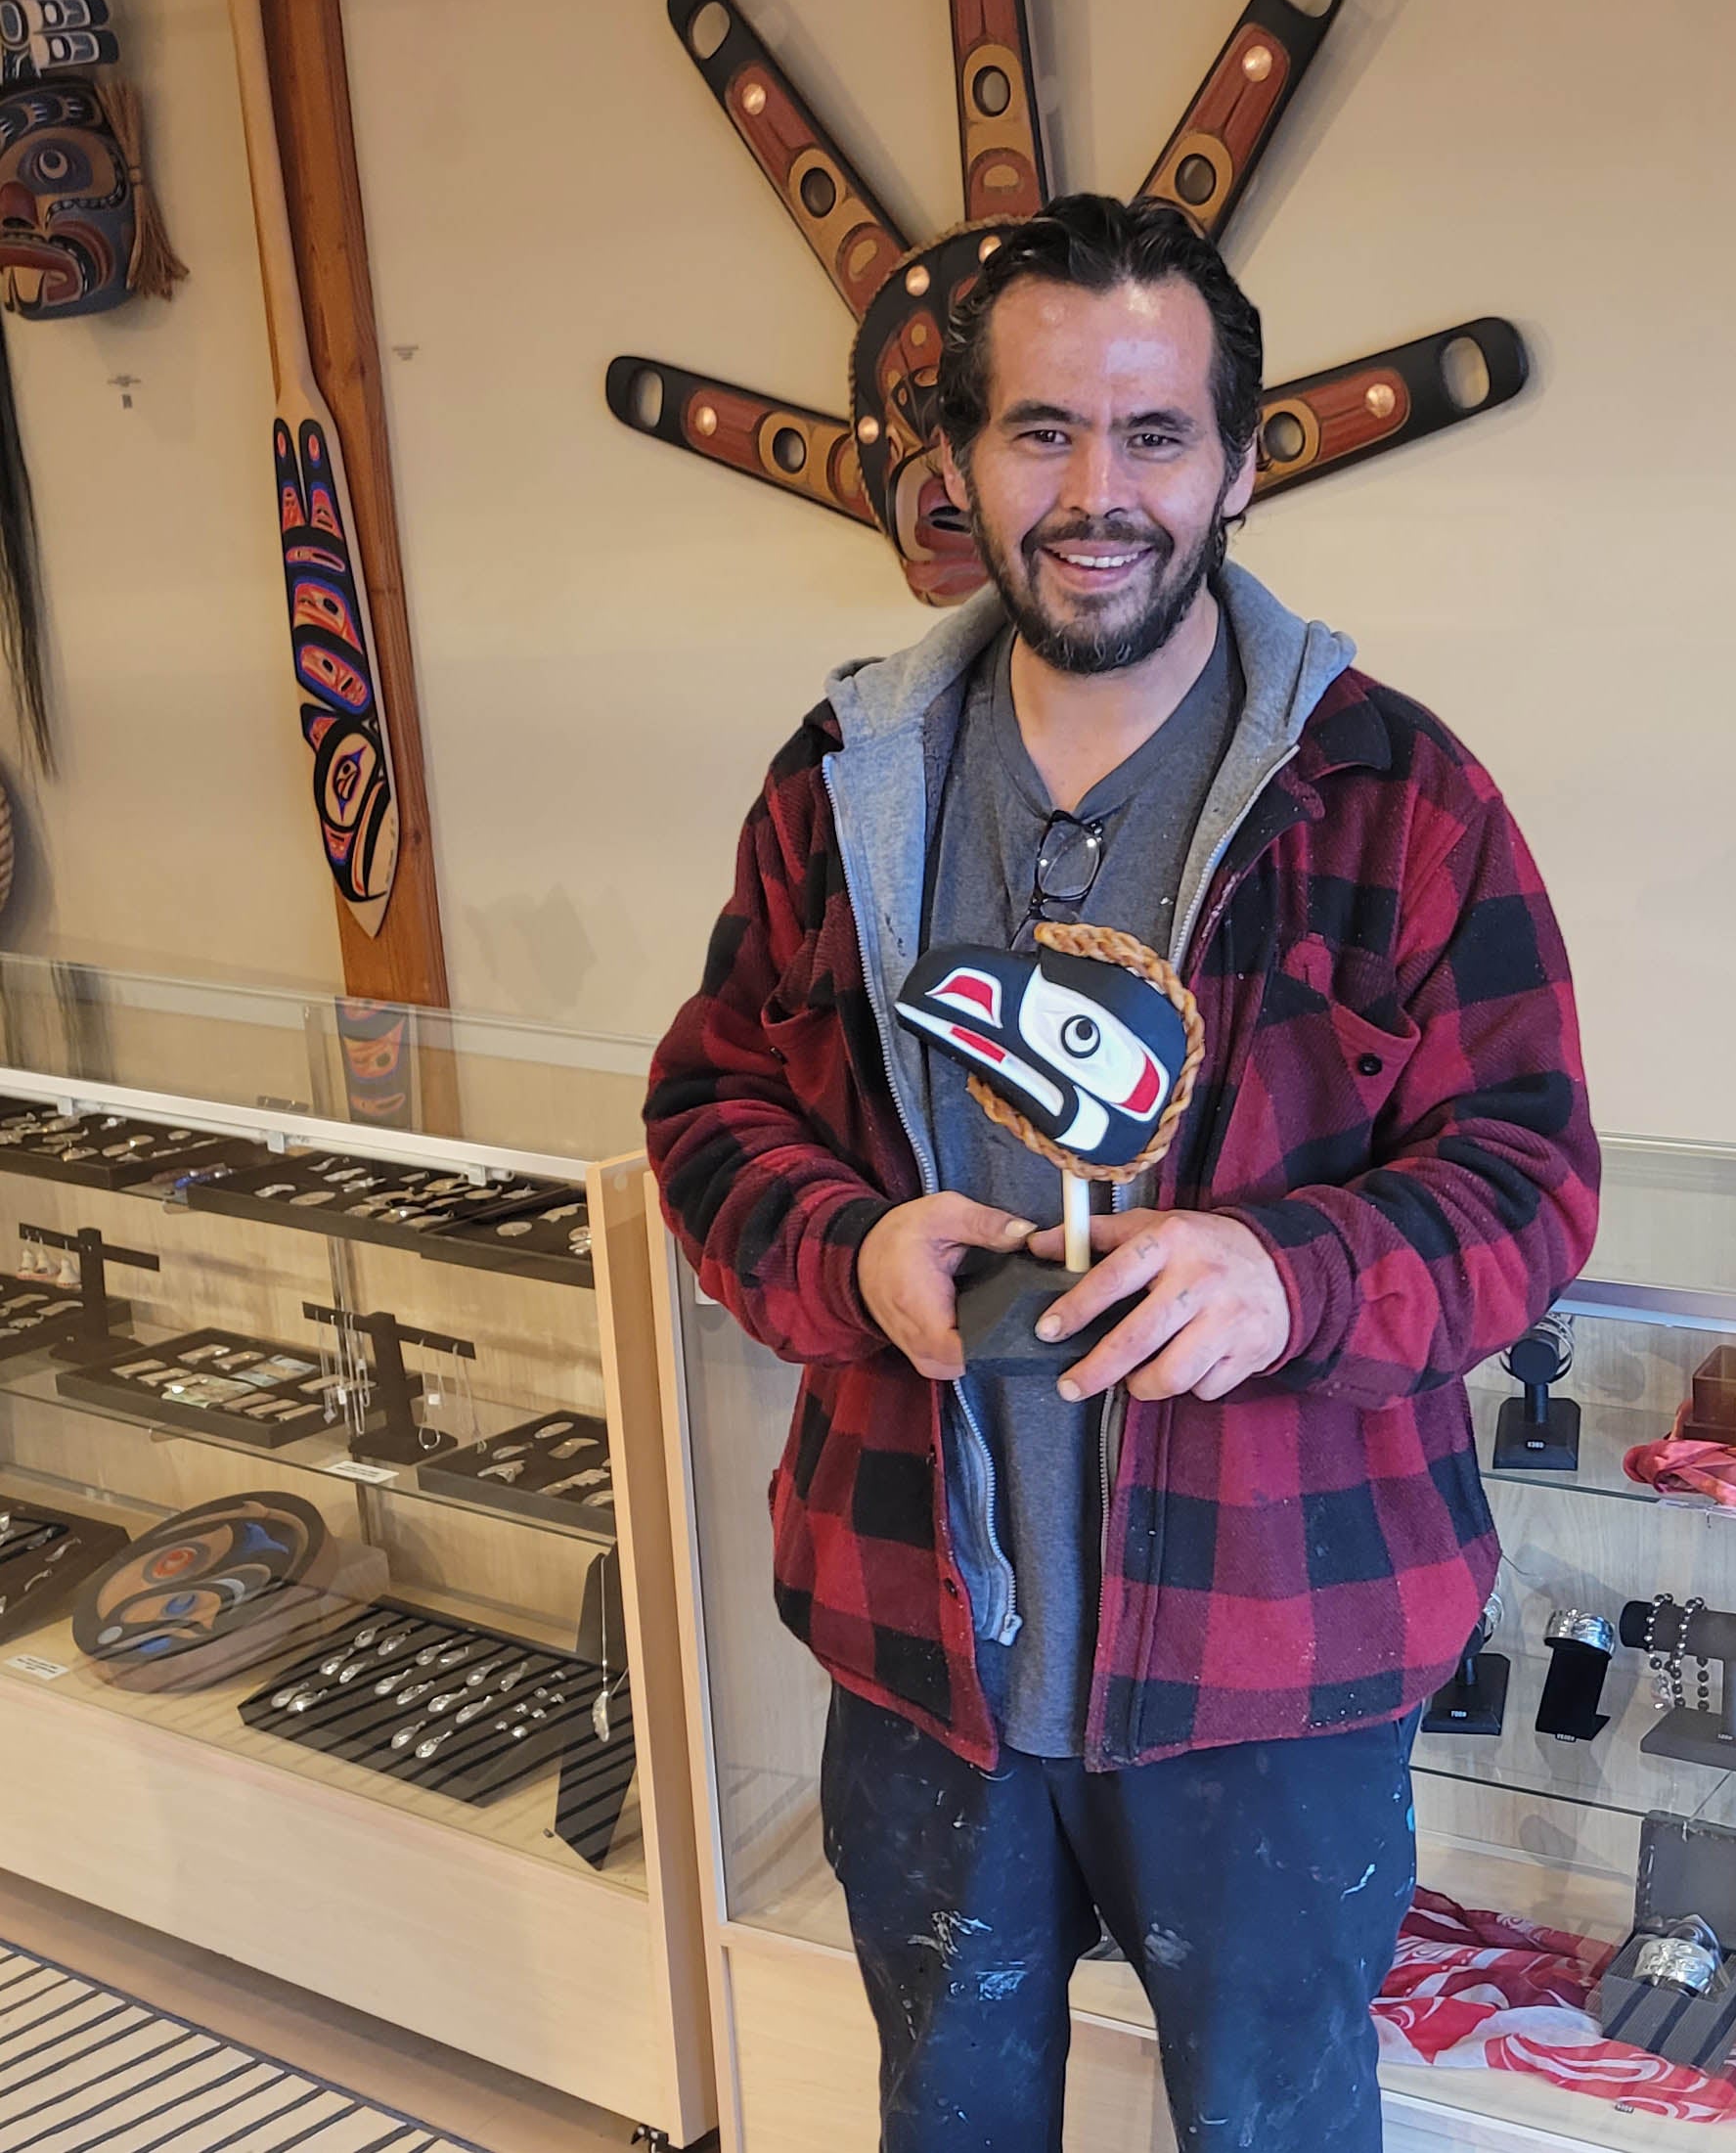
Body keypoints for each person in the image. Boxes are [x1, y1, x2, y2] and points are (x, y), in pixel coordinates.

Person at [645, 192, 1599, 2153]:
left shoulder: (1398, 795)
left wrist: (1294, 1274)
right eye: (1042, 431)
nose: (1099, 491)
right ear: (964, 462)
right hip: (926, 1644)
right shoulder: (843, 777)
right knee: (951, 2113)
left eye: (1155, 434)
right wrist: (850, 1243)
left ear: (1244, 464)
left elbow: (1530, 1177)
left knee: (1272, 2125)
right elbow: (711, 1107)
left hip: (1277, 1651)